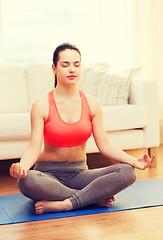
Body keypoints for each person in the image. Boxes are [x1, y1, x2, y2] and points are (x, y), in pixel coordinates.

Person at [10, 43, 154, 215]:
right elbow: (34, 147)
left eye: (76, 64)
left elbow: (105, 145)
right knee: (26, 181)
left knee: (128, 172)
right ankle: (90, 199)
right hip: (48, 175)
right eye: (65, 65)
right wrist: (22, 168)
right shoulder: (41, 105)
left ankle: (68, 203)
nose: (72, 69)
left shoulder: (92, 103)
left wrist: (133, 161)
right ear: (54, 68)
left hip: (80, 174)